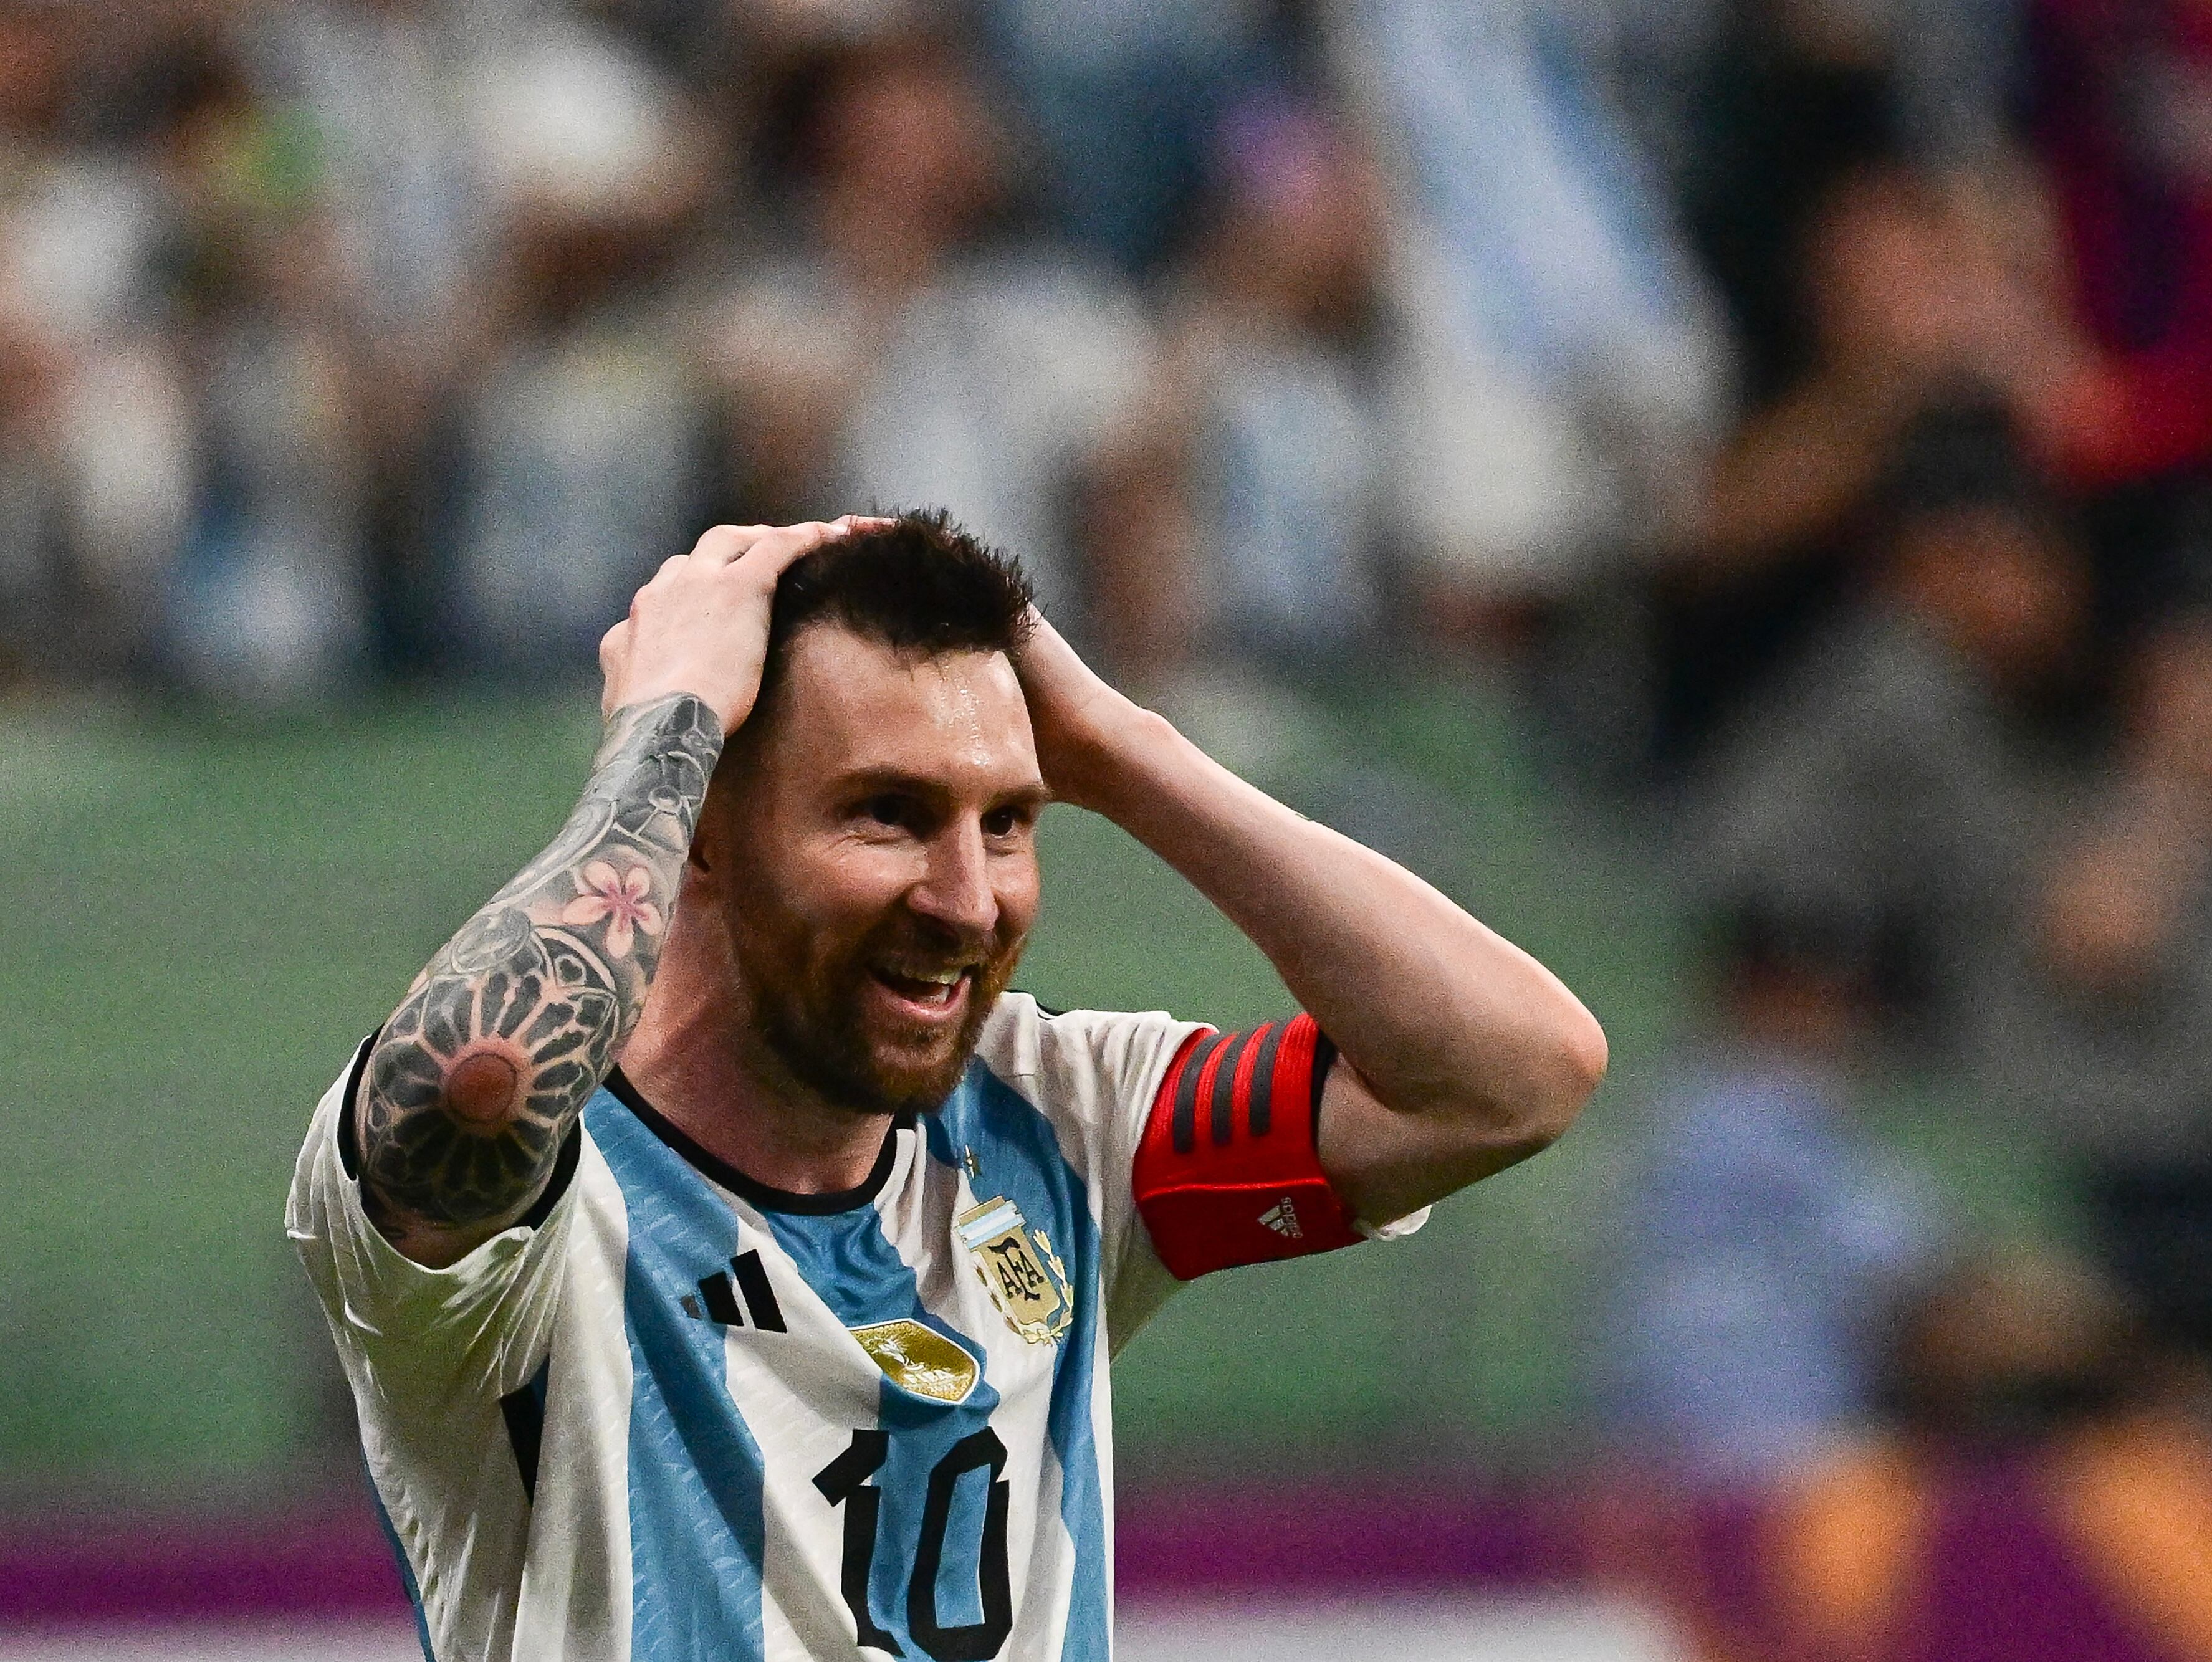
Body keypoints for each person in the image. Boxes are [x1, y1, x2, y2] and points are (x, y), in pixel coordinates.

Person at [285, 510, 1606, 1660]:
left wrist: (1117, 743)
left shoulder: (1064, 1122)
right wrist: (668, 723)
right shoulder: (542, 1212)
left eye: (1008, 820)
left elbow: (1509, 1077)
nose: (968, 900)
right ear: (701, 826)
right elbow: (483, 1072)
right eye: (889, 813)